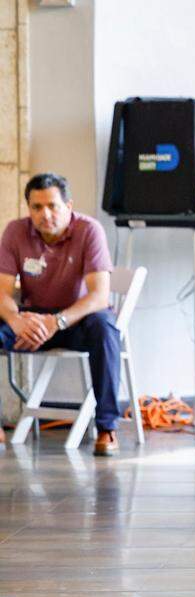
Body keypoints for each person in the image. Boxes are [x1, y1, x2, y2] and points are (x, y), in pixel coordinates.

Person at [0, 174, 121, 456]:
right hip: (32, 322)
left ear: (69, 205)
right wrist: (16, 320)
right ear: (28, 208)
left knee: (105, 328)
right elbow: (3, 292)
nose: (45, 215)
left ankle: (107, 428)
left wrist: (57, 322)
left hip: (77, 319)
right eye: (37, 207)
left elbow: (99, 296)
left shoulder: (89, 230)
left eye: (53, 206)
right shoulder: (15, 232)